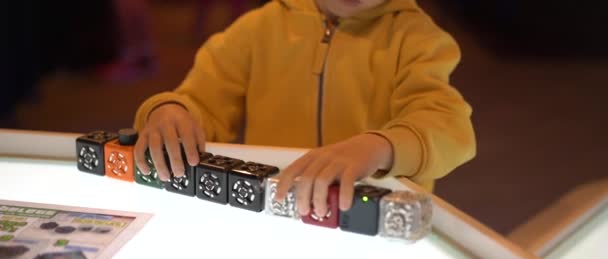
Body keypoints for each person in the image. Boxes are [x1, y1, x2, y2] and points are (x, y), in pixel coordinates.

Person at [133, 0, 476, 219]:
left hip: (371, 221)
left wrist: (380, 147)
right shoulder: (260, 27)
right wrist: (170, 110)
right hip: (272, 210)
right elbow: (201, 102)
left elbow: (446, 125)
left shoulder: (419, 39)